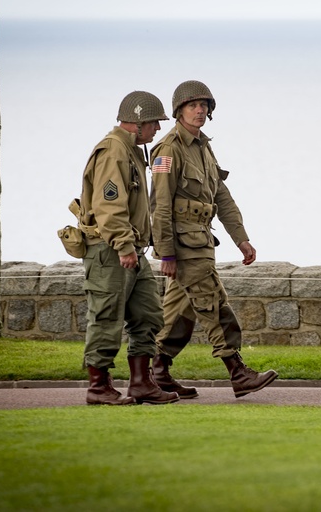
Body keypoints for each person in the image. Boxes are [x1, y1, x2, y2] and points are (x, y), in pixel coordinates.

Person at [149, 80, 277, 398]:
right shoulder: (167, 150)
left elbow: (221, 194)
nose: (200, 110)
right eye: (193, 105)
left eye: (204, 105)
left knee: (180, 312)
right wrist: (165, 253)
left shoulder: (203, 147)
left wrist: (241, 238)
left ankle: (157, 372)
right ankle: (238, 373)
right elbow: (160, 203)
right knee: (213, 306)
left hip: (202, 242)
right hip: (183, 247)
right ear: (179, 110)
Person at [78, 91, 179, 405]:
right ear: (138, 123)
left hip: (131, 248)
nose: (157, 130)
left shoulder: (131, 150)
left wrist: (132, 247)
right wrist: (124, 246)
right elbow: (109, 206)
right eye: (154, 124)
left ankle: (140, 383)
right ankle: (98, 387)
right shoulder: (114, 151)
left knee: (148, 314)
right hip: (111, 250)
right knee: (106, 317)